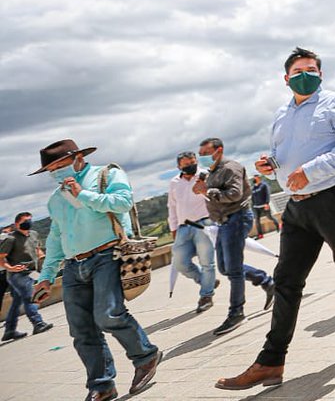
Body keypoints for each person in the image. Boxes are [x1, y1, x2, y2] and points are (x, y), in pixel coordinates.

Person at [217, 48, 335, 391]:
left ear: (320, 74)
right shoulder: (281, 116)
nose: (305, 75)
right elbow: (284, 159)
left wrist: (309, 170)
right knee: (286, 280)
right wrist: (272, 166)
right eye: (298, 71)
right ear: (286, 79)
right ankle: (271, 361)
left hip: (331, 198)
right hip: (296, 208)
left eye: (311, 70)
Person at [32, 139, 160, 401]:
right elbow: (56, 237)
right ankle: (102, 385)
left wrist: (83, 194)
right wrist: (46, 276)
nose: (55, 172)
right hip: (73, 265)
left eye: (59, 164)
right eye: (50, 169)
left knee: (108, 315)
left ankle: (146, 356)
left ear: (77, 157)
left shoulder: (107, 174)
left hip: (107, 255)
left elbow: (122, 202)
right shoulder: (56, 199)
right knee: (81, 330)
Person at [196, 137, 275, 337]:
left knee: (233, 269)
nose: (202, 157)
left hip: (237, 218)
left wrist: (208, 191)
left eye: (205, 153)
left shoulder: (232, 168)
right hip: (223, 222)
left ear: (219, 150)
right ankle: (266, 282)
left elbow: (234, 194)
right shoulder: (211, 173)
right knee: (225, 267)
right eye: (201, 154)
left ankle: (236, 312)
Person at [167, 151, 217, 313]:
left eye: (192, 162)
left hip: (203, 223)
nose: (190, 166)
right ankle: (205, 281)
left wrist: (204, 188)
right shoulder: (174, 182)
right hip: (183, 227)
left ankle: (206, 295)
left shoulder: (205, 175)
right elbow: (172, 207)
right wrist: (173, 228)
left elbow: (215, 198)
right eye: (186, 164)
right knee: (180, 263)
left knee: (206, 262)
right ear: (179, 166)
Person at [1, 211, 53, 341]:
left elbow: (37, 249)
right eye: (24, 222)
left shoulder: (34, 234)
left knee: (17, 302)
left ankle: (9, 331)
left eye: (29, 220)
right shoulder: (11, 238)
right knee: (29, 297)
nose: (28, 223)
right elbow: (1, 257)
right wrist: (10, 268)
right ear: (17, 224)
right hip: (17, 274)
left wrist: (43, 258)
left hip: (31, 271)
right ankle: (38, 323)